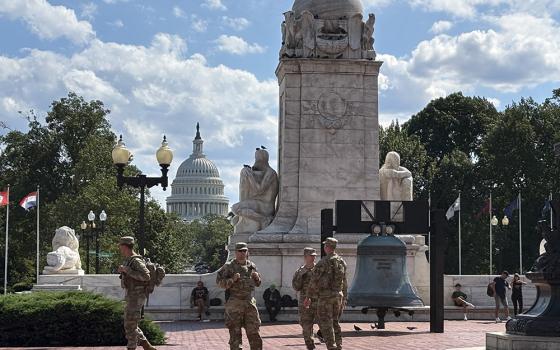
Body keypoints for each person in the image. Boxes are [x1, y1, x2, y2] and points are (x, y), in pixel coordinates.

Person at [216, 242, 262, 350]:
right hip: (234, 303)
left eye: (244, 251)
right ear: (235, 252)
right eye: (240, 251)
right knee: (235, 334)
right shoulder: (228, 266)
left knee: (254, 332)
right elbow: (219, 283)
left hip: (249, 302)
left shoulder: (252, 266)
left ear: (247, 252)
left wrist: (257, 278)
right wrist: (232, 279)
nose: (242, 253)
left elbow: (258, 284)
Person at [304, 238, 347, 350]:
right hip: (338, 296)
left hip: (325, 297)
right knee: (335, 322)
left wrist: (308, 296)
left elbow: (314, 280)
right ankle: (338, 345)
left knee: (326, 323)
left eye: (325, 246)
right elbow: (344, 281)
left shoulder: (323, 262)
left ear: (327, 247)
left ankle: (331, 347)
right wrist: (344, 297)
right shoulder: (341, 261)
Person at [117, 236, 157, 350]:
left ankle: (131, 347)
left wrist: (127, 270)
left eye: (120, 246)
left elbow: (146, 276)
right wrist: (124, 270)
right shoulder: (129, 260)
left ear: (125, 246)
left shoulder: (136, 260)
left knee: (130, 323)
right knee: (130, 323)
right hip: (132, 295)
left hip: (137, 296)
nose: (120, 249)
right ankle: (145, 345)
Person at [292, 247, 318, 350]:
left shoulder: (319, 270)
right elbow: (296, 287)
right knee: (306, 324)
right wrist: (301, 276)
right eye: (311, 256)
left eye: (314, 256)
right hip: (305, 301)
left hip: (318, 300)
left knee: (324, 323)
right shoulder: (300, 271)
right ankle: (310, 345)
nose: (313, 257)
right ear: (305, 257)